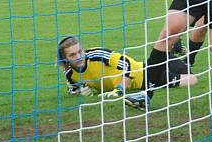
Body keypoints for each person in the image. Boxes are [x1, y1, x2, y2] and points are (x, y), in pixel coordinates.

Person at [58, 35, 196, 99]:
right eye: (72, 55)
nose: (79, 56)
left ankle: (169, 50)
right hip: (144, 72)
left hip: (144, 75)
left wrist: (119, 89)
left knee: (190, 78)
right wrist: (82, 93)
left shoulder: (96, 55)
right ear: (65, 59)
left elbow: (127, 63)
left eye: (80, 51)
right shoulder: (70, 74)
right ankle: (169, 51)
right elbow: (73, 89)